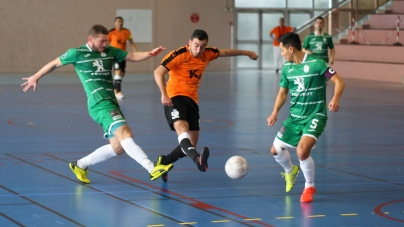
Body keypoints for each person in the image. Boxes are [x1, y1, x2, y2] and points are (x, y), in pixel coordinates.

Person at [21, 24, 173, 183]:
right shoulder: (77, 53)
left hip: (111, 102)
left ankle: (80, 165)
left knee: (118, 147)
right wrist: (36, 76)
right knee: (125, 134)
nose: (105, 44)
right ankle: (151, 167)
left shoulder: (109, 51)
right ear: (90, 39)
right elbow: (54, 63)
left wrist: (149, 54)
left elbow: (132, 56)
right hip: (99, 103)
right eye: (101, 41)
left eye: (107, 41)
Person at [154, 29, 258, 182]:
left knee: (192, 143)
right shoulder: (179, 54)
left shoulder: (207, 54)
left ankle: (164, 161)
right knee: (182, 130)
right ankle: (197, 160)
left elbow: (226, 52)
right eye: (196, 45)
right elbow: (158, 72)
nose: (198, 50)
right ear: (190, 42)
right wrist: (164, 94)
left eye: (202, 46)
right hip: (174, 97)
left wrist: (247, 52)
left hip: (192, 100)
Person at [267, 32, 344, 203]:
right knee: (275, 150)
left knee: (302, 151)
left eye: (282, 50)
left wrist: (335, 98)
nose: (281, 53)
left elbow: (339, 81)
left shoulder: (317, 63)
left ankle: (309, 186)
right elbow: (282, 93)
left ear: (291, 49)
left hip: (315, 115)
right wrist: (274, 112)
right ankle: (290, 171)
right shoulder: (287, 69)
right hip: (294, 118)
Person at [108, 17, 138, 99]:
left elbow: (131, 42)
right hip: (115, 55)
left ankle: (114, 89)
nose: (119, 23)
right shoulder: (111, 32)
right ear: (115, 23)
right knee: (118, 71)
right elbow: (106, 43)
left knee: (122, 73)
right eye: (118, 22)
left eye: (121, 21)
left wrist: (136, 52)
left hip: (123, 55)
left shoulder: (127, 32)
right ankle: (118, 92)